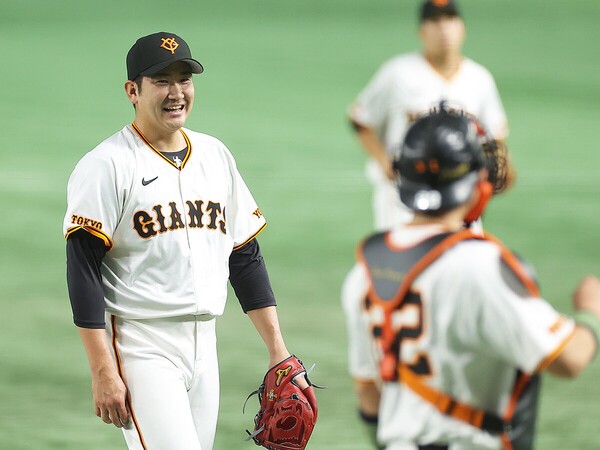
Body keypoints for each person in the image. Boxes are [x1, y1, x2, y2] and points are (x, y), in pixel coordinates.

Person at [64, 32, 312, 450]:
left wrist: (278, 350)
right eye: (161, 81)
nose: (176, 92)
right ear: (132, 91)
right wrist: (103, 369)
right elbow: (83, 270)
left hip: (204, 346)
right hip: (142, 345)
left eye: (184, 79)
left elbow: (245, 256)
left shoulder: (216, 156)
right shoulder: (106, 165)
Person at [341, 106, 600, 449]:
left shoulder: (362, 272)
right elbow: (570, 359)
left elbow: (368, 395)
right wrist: (590, 311)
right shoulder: (480, 266)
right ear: (478, 186)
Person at [348, 0, 509, 231]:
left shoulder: (479, 78)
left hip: (460, 196)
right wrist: (383, 161)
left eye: (450, 19)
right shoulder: (398, 73)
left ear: (462, 28)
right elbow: (360, 119)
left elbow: (495, 134)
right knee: (403, 262)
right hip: (403, 196)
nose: (444, 29)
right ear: (422, 32)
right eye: (435, 21)